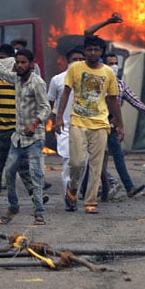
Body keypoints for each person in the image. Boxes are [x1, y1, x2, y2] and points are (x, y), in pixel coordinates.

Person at [53, 35, 123, 214]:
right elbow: (66, 93)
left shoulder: (108, 72)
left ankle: (90, 201)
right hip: (77, 121)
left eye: (96, 50)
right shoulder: (75, 69)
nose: (93, 53)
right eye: (89, 49)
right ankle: (73, 188)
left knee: (96, 164)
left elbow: (113, 99)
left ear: (101, 52)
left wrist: (120, 124)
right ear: (85, 51)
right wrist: (59, 117)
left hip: (100, 123)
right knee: (76, 163)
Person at [0, 43, 51, 225]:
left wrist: (35, 123)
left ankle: (39, 213)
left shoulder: (37, 83)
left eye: (23, 63)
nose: (19, 65)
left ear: (31, 64)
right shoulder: (16, 79)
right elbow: (0, 70)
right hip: (18, 138)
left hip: (34, 138)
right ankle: (13, 206)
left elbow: (46, 108)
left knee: (35, 174)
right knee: (9, 172)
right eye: (18, 62)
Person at [103, 53, 145, 197]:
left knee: (118, 157)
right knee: (94, 159)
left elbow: (133, 99)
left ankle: (129, 187)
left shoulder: (120, 84)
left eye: (115, 63)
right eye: (110, 63)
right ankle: (85, 189)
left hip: (112, 126)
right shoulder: (99, 81)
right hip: (97, 125)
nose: (113, 66)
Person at [47, 47, 85, 194]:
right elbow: (49, 103)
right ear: (67, 62)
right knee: (68, 161)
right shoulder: (57, 80)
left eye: (81, 59)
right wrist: (52, 122)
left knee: (82, 164)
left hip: (86, 126)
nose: (78, 62)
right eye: (75, 59)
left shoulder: (90, 79)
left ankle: (74, 191)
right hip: (65, 127)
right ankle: (69, 196)